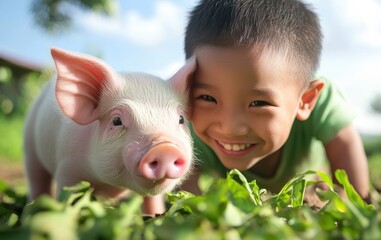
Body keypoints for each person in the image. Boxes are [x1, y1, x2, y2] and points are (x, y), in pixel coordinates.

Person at [145, 0, 369, 215]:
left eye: (259, 103)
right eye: (207, 97)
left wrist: (354, 203)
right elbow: (171, 190)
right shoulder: (185, 128)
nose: (230, 127)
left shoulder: (323, 102)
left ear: (305, 100)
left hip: (310, 187)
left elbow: (346, 144)